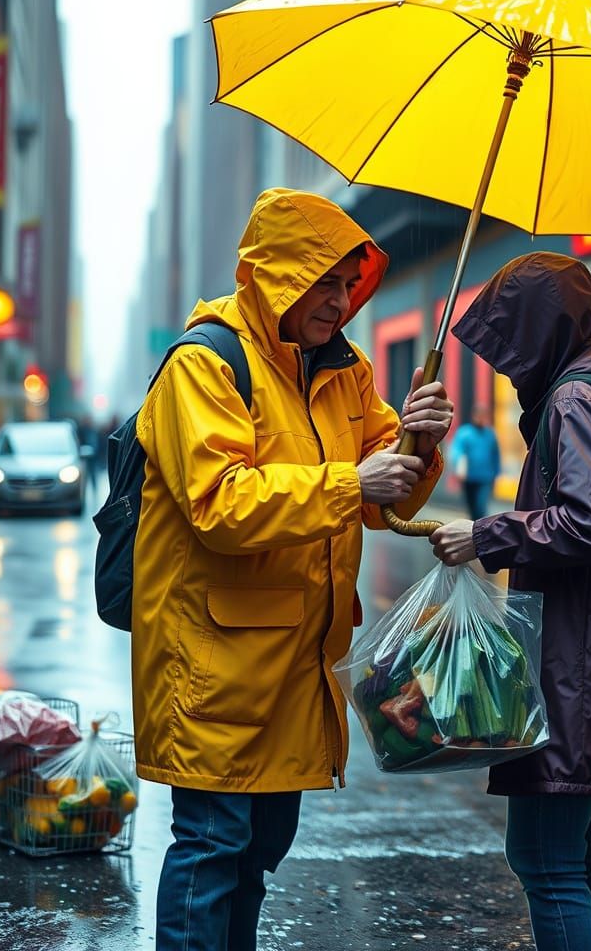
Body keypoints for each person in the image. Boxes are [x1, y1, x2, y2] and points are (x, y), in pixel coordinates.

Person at [133, 188, 453, 951]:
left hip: (297, 666)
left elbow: (387, 500)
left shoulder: (346, 371)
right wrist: (352, 481)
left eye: (350, 284)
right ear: (277, 276)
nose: (342, 301)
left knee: (255, 859)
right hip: (217, 667)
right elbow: (220, 503)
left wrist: (419, 440)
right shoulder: (204, 365)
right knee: (212, 850)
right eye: (327, 282)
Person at [429, 252, 591, 951]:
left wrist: (487, 535)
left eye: (510, 343)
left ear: (538, 332)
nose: (507, 367)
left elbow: (590, 521)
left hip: (583, 669)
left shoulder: (576, 399)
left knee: (545, 861)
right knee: (573, 858)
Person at [449, 404, 500, 520]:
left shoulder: (490, 434)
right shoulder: (464, 433)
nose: (481, 419)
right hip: (469, 477)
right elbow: (457, 451)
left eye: (484, 416)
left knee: (480, 507)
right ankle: (473, 530)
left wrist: (497, 473)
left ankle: (480, 531)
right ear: (474, 416)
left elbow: (495, 454)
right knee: (471, 507)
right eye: (479, 416)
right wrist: (459, 466)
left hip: (485, 478)